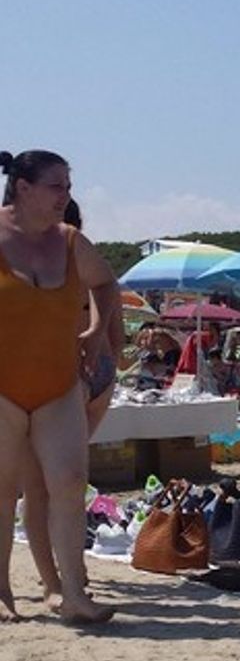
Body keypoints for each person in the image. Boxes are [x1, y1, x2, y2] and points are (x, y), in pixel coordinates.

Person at [0, 150, 118, 624]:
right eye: (56, 187)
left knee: (69, 483)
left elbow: (106, 284)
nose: (65, 196)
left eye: (68, 186)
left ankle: (73, 594)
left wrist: (96, 332)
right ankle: (2, 591)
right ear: (23, 189)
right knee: (2, 491)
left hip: (58, 384)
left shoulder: (71, 241)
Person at [20, 197, 124, 609]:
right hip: (79, 376)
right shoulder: (82, 263)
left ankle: (63, 579)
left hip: (79, 376)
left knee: (52, 485)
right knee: (55, 483)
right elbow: (115, 334)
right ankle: (59, 578)